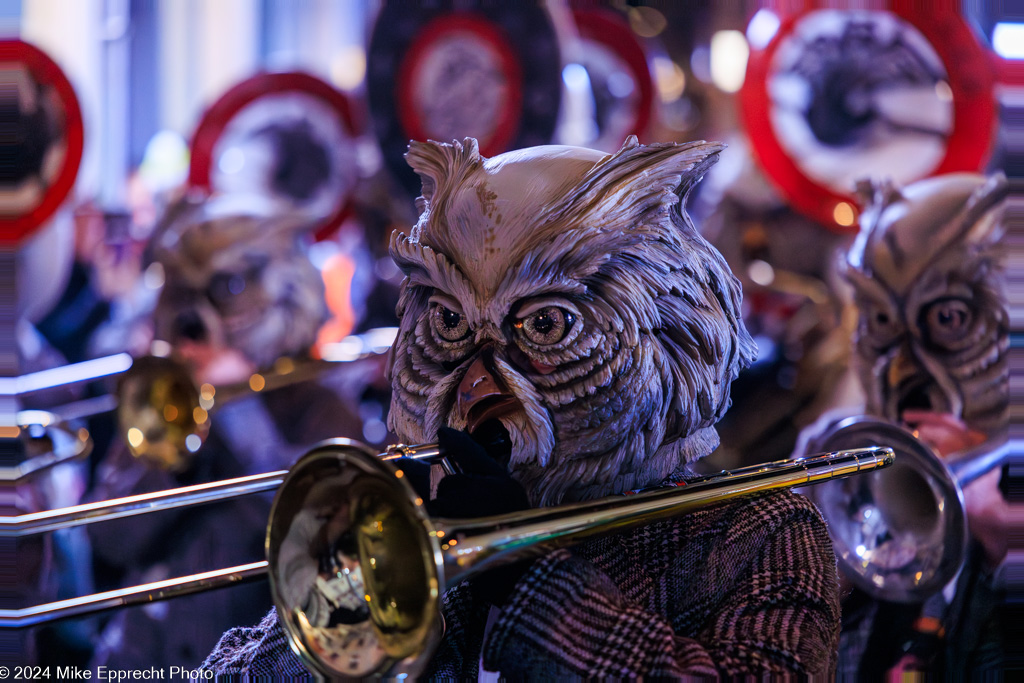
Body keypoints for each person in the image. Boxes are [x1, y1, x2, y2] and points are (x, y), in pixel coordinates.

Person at [201, 137, 841, 677]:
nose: (477, 382)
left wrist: (528, 578)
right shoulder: (431, 525)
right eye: (449, 323)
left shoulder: (758, 534)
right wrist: (347, 596)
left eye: (547, 327)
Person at [801, 172, 1010, 679]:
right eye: (880, 322)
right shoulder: (838, 455)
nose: (900, 371)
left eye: (950, 320)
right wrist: (813, 572)